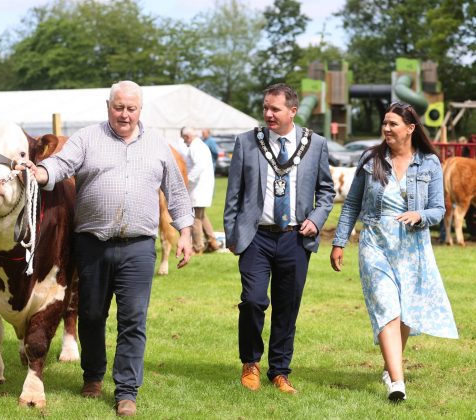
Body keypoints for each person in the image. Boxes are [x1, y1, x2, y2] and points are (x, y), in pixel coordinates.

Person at [25, 80, 193, 417]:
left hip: (138, 247)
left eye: (131, 108)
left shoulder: (158, 145)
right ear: (108, 106)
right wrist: (40, 171)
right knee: (90, 315)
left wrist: (185, 232)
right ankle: (93, 376)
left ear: (140, 110)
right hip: (92, 245)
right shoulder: (88, 139)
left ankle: (127, 391)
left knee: (133, 319)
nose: (125, 114)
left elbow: (176, 192)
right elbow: (61, 166)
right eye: (119, 107)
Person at [330, 102, 458, 402]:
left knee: (404, 313)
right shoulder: (370, 159)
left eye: (393, 124)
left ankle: (391, 366)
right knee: (387, 308)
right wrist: (339, 240)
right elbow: (352, 204)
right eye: (384, 123)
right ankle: (397, 383)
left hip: (413, 246)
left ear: (410, 128)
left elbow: (438, 208)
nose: (386, 128)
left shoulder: (428, 163)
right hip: (375, 242)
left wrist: (419, 216)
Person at [224, 83, 335, 394]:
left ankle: (280, 371)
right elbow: (233, 193)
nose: (268, 114)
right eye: (265, 108)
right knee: (254, 300)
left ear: (293, 111)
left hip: (295, 238)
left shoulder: (316, 144)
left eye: (275, 109)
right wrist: (233, 235)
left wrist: (315, 219)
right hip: (256, 237)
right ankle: (250, 362)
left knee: (288, 307)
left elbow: (327, 192)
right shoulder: (247, 142)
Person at [181, 127, 220, 253]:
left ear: (187, 136)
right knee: (201, 216)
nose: (184, 142)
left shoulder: (194, 147)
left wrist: (187, 180)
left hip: (198, 187)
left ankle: (198, 247)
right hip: (204, 186)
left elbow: (198, 166)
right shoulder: (201, 145)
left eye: (184, 138)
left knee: (195, 217)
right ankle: (212, 242)